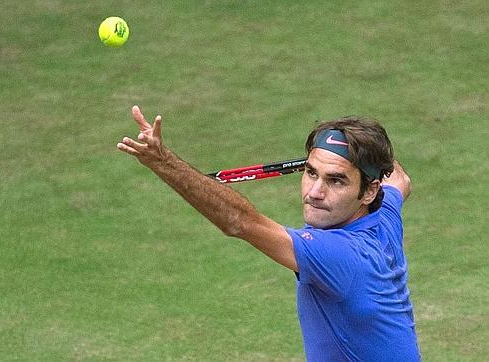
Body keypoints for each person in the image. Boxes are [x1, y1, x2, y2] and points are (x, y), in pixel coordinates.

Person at [116, 105, 421, 361]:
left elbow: (238, 221)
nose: (315, 192)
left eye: (336, 181)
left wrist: (162, 160)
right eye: (312, 172)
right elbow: (399, 179)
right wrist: (357, 150)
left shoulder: (337, 254)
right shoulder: (384, 213)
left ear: (368, 191)